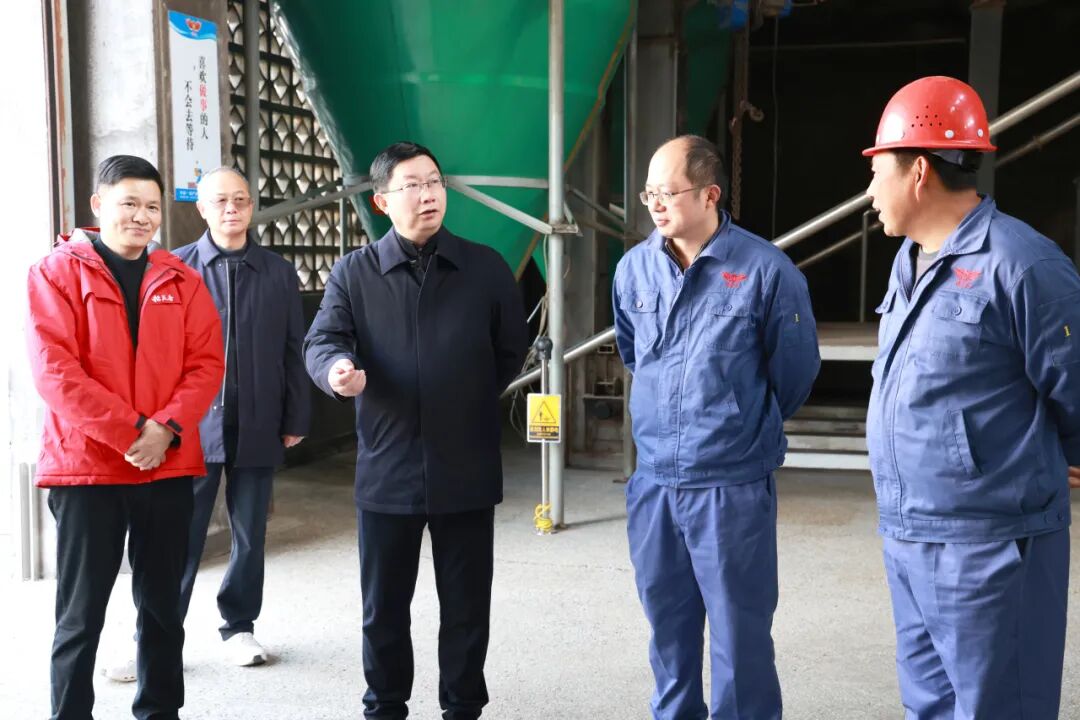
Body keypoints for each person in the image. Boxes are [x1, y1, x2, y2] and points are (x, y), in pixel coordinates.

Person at [863, 75, 1080, 719]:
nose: (870, 191)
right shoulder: (910, 261)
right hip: (910, 531)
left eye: (877, 171)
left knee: (998, 706)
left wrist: (1061, 454)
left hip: (990, 544)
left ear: (918, 171)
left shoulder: (1022, 263)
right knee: (929, 704)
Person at [303, 141, 528, 719]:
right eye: (412, 185)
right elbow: (323, 340)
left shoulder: (484, 267)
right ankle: (384, 706)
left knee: (466, 606)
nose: (428, 194)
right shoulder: (355, 273)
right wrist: (337, 371)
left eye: (434, 181)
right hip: (388, 464)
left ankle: (463, 707)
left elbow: (510, 349)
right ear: (382, 201)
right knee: (383, 608)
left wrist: (463, 395)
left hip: (466, 463)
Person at [612, 134, 820, 719]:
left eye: (668, 192)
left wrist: (734, 421)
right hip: (655, 482)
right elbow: (634, 355)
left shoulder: (765, 270)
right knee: (667, 629)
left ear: (710, 194)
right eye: (648, 193)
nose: (655, 204)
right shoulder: (633, 270)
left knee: (739, 635)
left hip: (730, 485)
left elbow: (795, 373)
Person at [26, 154, 224, 720]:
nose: (142, 217)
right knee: (80, 613)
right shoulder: (55, 273)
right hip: (87, 468)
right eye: (129, 203)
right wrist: (135, 432)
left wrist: (166, 430)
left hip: (167, 465)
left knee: (162, 609)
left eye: (152, 207)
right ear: (98, 205)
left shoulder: (181, 279)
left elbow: (206, 363)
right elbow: (55, 371)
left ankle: (160, 711)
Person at [103, 167, 311, 679]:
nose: (231, 209)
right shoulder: (173, 267)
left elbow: (294, 348)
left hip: (259, 419)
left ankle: (239, 626)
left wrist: (296, 414)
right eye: (220, 200)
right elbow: (153, 354)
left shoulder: (278, 272)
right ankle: (154, 637)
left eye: (240, 199)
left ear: (252, 205)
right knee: (177, 535)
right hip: (190, 426)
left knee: (250, 533)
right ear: (201, 208)